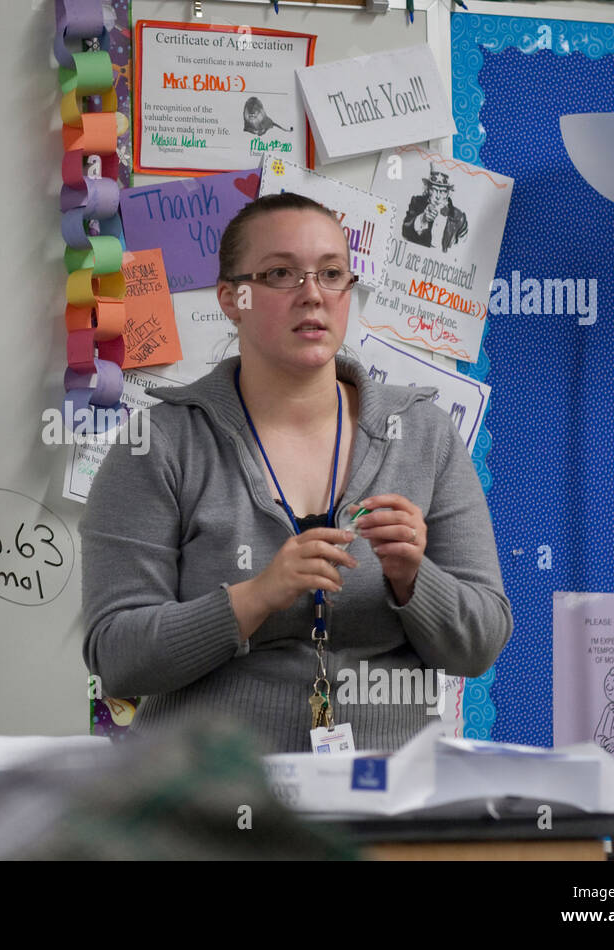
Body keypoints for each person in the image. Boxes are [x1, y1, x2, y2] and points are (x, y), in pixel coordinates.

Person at [79, 192, 511, 754]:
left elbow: (479, 645)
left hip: (386, 799)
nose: (313, 294)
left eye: (332, 273)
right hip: (202, 801)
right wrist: (256, 597)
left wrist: (413, 577)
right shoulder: (159, 444)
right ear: (231, 298)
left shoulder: (423, 434)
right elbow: (116, 654)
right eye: (281, 273)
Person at [402, 164, 469, 253]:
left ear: (448, 193)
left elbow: (462, 250)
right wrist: (423, 219)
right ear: (428, 189)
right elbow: (405, 232)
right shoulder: (417, 203)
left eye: (442, 191)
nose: (438, 196)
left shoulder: (459, 217)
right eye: (434, 189)